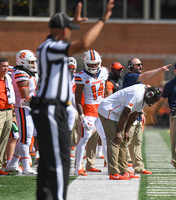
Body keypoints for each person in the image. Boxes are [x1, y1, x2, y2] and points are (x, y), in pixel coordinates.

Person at [30, 1, 114, 199]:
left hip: (51, 107)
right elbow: (83, 44)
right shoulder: (51, 47)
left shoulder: (48, 45)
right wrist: (102, 20)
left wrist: (70, 23)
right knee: (59, 159)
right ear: (63, 31)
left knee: (52, 159)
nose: (69, 34)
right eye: (68, 30)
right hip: (50, 108)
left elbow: (66, 40)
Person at [98, 84, 162, 180]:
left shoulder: (145, 97)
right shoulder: (137, 94)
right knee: (115, 140)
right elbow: (126, 112)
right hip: (108, 110)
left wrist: (126, 131)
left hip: (117, 113)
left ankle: (123, 170)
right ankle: (113, 172)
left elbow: (135, 114)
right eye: (153, 101)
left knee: (123, 140)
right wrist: (119, 131)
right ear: (149, 95)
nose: (152, 104)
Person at [123, 57, 170, 174]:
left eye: (141, 64)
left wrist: (142, 112)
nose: (140, 66)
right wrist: (160, 69)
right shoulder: (129, 77)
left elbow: (140, 99)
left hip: (137, 115)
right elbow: (144, 76)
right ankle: (122, 168)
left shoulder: (138, 82)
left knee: (137, 143)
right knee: (125, 143)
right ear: (130, 67)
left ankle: (139, 167)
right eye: (137, 65)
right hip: (129, 116)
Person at [74, 50, 108, 175]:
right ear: (85, 63)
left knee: (105, 138)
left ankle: (110, 167)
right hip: (88, 111)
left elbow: (105, 92)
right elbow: (77, 100)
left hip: (101, 111)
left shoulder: (104, 71)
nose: (93, 67)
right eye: (91, 64)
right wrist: (82, 117)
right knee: (84, 139)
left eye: (95, 64)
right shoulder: (80, 76)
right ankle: (78, 167)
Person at [5, 50, 38, 175]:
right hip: (23, 107)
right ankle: (26, 167)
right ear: (23, 62)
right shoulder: (20, 73)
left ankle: (12, 164)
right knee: (26, 138)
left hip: (28, 108)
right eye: (30, 62)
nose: (33, 65)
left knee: (24, 137)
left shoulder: (27, 72)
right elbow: (26, 97)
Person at [0, 58, 16, 176]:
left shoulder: (8, 79)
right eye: (3, 66)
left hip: (8, 111)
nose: (6, 68)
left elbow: (11, 97)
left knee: (4, 139)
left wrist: (13, 114)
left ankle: (0, 164)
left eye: (7, 66)